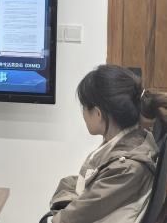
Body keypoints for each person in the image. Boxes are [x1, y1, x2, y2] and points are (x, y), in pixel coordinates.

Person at [42, 65, 165, 223]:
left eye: (84, 107)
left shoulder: (126, 166)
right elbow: (76, 186)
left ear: (98, 113)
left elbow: (74, 215)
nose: (83, 114)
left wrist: (52, 217)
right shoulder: (133, 143)